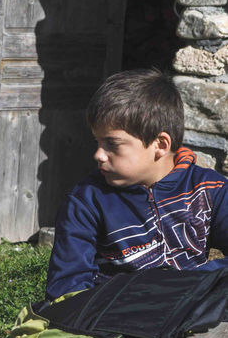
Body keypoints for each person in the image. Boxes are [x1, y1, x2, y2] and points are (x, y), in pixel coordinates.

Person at [45, 69, 228, 300]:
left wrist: (189, 285)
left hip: (189, 309)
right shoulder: (86, 202)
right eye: (97, 142)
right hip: (117, 316)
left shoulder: (210, 189)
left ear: (160, 145)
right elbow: (66, 289)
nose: (98, 154)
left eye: (112, 143)